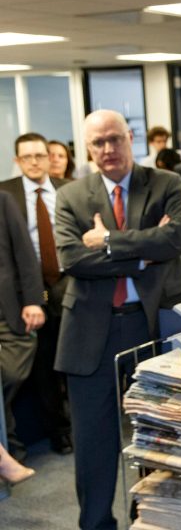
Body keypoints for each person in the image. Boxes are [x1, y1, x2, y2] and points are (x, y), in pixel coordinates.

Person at [54, 109, 181, 530]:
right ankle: (96, 524)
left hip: (149, 329)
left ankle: (150, 519)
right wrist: (145, 254)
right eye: (98, 143)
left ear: (131, 138)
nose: (108, 149)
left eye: (115, 139)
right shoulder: (71, 196)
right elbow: (72, 258)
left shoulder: (166, 183)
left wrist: (109, 240)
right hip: (89, 334)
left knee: (157, 436)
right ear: (88, 147)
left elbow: (177, 238)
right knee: (95, 445)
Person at [0, 133, 72, 456]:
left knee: (71, 360)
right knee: (42, 365)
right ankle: (57, 431)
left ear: (50, 157)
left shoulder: (68, 190)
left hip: (69, 284)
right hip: (29, 292)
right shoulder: (7, 193)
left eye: (39, 155)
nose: (34, 162)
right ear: (17, 160)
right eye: (26, 156)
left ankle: (76, 425)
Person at [0, 189, 45, 462]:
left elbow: (25, 251)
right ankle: (10, 448)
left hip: (9, 311)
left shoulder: (3, 200)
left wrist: (33, 300)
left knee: (12, 374)